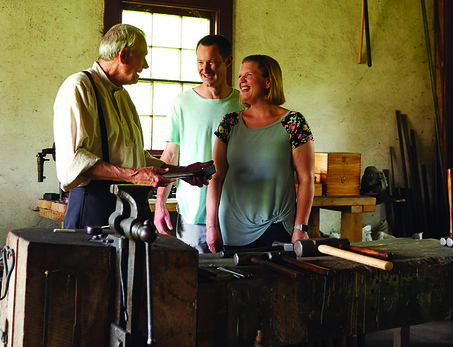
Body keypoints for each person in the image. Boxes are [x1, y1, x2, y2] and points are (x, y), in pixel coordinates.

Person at [53, 23, 211, 229]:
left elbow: (135, 157)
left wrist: (183, 172)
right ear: (123, 56)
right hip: (93, 207)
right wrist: (136, 176)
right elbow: (74, 161)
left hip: (129, 206)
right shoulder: (79, 87)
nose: (145, 65)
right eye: (143, 56)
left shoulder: (123, 96)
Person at [205, 54, 315, 253]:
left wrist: (301, 227)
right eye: (239, 76)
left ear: (268, 81)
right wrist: (211, 226)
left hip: (278, 226)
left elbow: (306, 178)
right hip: (232, 227)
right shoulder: (229, 123)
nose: (241, 80)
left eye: (248, 75)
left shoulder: (294, 122)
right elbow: (216, 177)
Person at [154, 35, 242, 252]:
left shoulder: (243, 104)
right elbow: (170, 155)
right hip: (194, 215)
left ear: (228, 61)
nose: (205, 69)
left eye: (211, 61)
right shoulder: (181, 103)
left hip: (238, 214)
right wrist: (159, 204)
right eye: (200, 62)